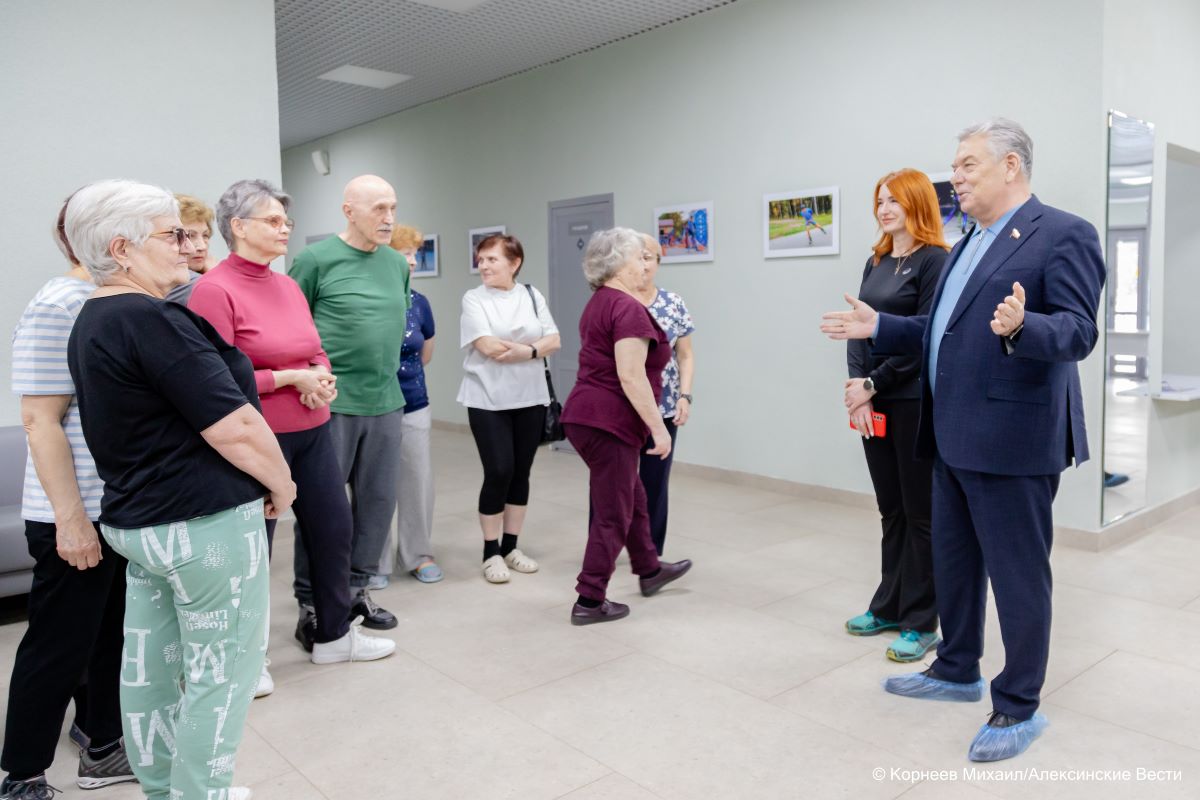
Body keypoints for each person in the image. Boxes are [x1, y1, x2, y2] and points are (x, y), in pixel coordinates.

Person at [821, 118, 1106, 762]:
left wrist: (1024, 326)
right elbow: (938, 330)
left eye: (967, 165)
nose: (955, 177)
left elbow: (1079, 331)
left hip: (1013, 439)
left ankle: (1018, 705)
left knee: (1017, 576)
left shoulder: (1064, 233)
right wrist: (879, 325)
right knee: (953, 562)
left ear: (1011, 166)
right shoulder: (966, 242)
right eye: (955, 166)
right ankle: (956, 668)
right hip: (949, 433)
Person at [65, 179, 297, 800]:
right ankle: (201, 794)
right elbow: (236, 427)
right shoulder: (151, 320)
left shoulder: (93, 318)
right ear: (122, 248)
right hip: (203, 525)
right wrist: (283, 484)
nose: (188, 245)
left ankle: (166, 790)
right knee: (223, 673)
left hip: (141, 525)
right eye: (172, 235)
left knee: (154, 671)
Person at [188, 179, 395, 679]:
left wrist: (321, 377)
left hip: (314, 429)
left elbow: (314, 348)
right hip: (257, 440)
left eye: (287, 221)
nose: (285, 230)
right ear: (239, 227)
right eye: (273, 221)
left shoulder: (286, 286)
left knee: (332, 530)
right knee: (253, 549)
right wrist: (288, 379)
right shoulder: (213, 290)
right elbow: (215, 380)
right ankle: (248, 660)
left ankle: (334, 636)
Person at [2, 197, 134, 798]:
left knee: (109, 638)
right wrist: (71, 520)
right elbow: (39, 420)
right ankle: (22, 774)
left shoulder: (105, 301)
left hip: (115, 508)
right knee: (57, 646)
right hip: (72, 512)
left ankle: (102, 745)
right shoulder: (57, 305)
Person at [288, 175, 410, 632]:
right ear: (349, 211)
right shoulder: (315, 260)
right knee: (321, 508)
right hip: (331, 404)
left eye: (392, 207)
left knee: (377, 504)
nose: (389, 218)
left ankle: (356, 590)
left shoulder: (396, 263)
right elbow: (290, 327)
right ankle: (311, 601)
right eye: (379, 208)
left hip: (386, 401)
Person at [842, 169, 949, 663]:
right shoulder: (877, 261)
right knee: (891, 510)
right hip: (873, 401)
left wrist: (874, 383)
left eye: (894, 201)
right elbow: (858, 328)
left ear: (917, 204)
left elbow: (926, 336)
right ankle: (888, 605)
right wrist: (858, 389)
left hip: (912, 401)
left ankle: (921, 621)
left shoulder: (936, 261)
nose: (885, 209)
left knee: (920, 513)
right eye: (880, 201)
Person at [561, 227, 692, 625]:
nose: (645, 265)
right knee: (613, 513)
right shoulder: (628, 308)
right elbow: (631, 377)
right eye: (640, 258)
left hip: (586, 416)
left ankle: (649, 569)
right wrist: (659, 429)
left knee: (633, 497)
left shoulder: (601, 301)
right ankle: (589, 599)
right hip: (609, 421)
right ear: (618, 264)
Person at [457, 234, 560, 583]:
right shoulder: (474, 298)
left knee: (520, 472)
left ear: (514, 263)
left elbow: (554, 340)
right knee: (499, 470)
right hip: (486, 398)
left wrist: (526, 351)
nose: (483, 266)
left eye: (492, 259)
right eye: (481, 259)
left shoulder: (531, 295)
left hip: (530, 397)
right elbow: (487, 347)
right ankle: (490, 552)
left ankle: (511, 547)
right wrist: (533, 346)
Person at [377, 225, 442, 585]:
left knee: (418, 481)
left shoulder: (420, 302)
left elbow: (424, 354)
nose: (414, 261)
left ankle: (418, 554)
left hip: (414, 403)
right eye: (406, 253)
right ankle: (373, 561)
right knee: (374, 485)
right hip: (371, 405)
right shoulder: (369, 298)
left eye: (416, 253)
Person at [635, 233, 695, 555]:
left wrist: (685, 396)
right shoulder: (616, 300)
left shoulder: (673, 303)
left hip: (664, 405)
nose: (643, 264)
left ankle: (651, 553)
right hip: (622, 407)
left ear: (658, 263)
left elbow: (685, 355)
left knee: (655, 482)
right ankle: (603, 551)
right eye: (637, 257)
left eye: (649, 257)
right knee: (611, 483)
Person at [165, 194, 217, 305]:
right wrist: (217, 275)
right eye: (190, 236)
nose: (202, 247)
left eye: (205, 235)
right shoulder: (192, 284)